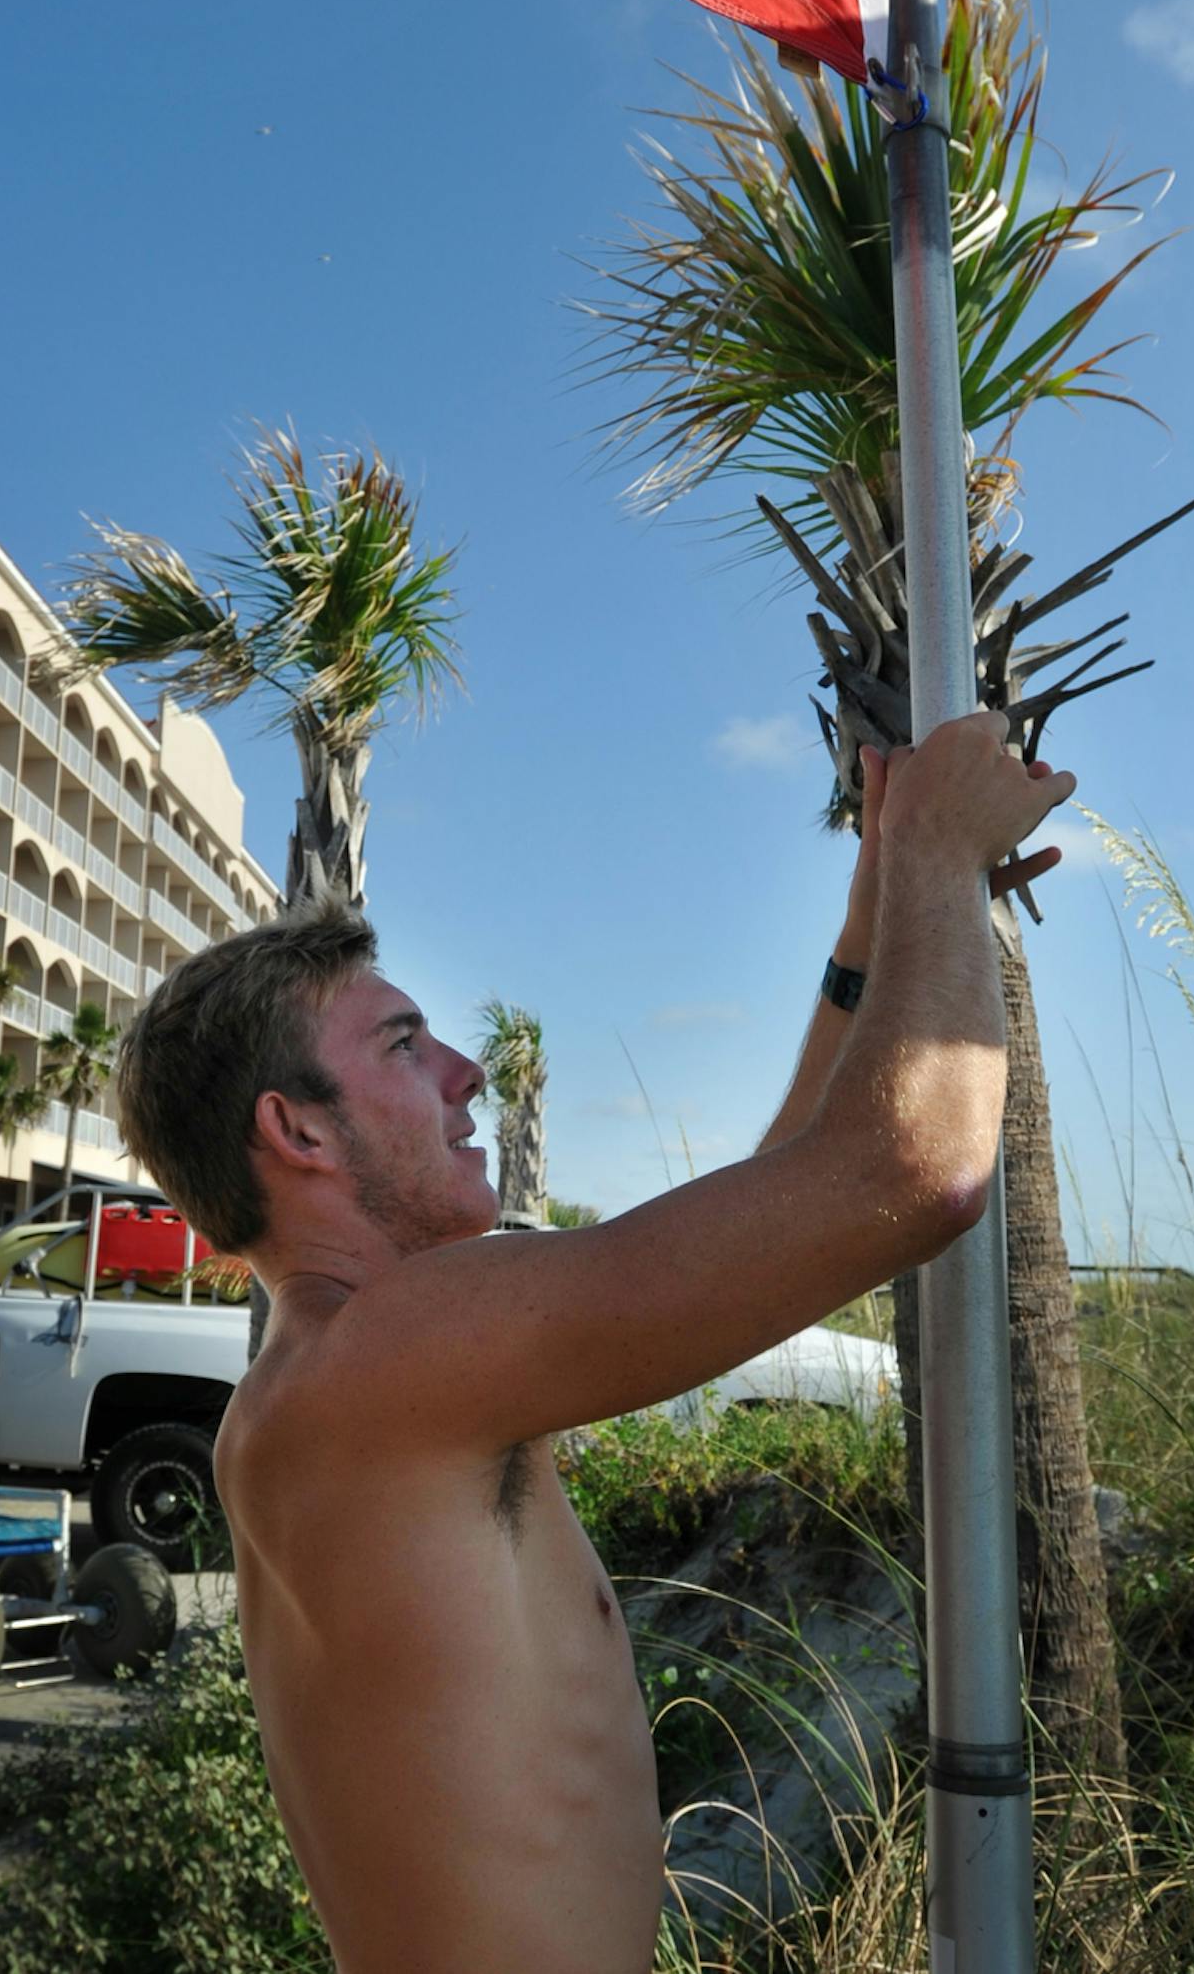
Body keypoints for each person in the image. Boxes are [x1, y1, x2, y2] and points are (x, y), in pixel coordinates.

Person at [112, 713, 1072, 1974]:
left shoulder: (370, 1366)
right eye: (406, 1044)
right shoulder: (384, 1356)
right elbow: (916, 1169)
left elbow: (778, 1196)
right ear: (297, 1132)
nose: (467, 1072)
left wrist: (866, 933)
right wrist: (939, 849)